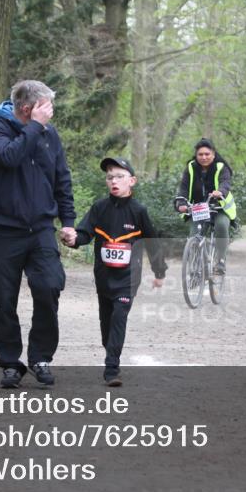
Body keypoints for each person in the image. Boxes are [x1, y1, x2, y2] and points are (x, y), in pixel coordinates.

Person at [0, 80, 77, 389]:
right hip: (5, 231)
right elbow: (10, 157)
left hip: (41, 231)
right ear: (28, 108)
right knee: (3, 298)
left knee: (49, 288)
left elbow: (62, 178)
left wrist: (68, 220)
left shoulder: (50, 135)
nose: (50, 113)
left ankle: (40, 358)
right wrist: (35, 127)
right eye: (45, 106)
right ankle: (10, 363)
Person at [65, 157, 166, 386]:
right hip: (103, 276)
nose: (114, 181)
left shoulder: (139, 210)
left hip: (128, 277)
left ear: (132, 181)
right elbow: (84, 233)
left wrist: (159, 271)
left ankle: (112, 369)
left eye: (119, 176)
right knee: (107, 323)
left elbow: (151, 242)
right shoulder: (99, 208)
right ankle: (111, 350)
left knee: (119, 317)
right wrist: (72, 240)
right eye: (110, 177)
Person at [174, 138, 237, 274]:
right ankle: (196, 267)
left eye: (207, 154)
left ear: (213, 154)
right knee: (195, 235)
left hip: (219, 207)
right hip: (199, 208)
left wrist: (220, 192)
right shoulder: (191, 168)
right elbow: (184, 188)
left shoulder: (221, 167)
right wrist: (181, 203)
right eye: (200, 154)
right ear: (196, 156)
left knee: (221, 225)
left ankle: (220, 262)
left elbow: (225, 182)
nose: (204, 157)